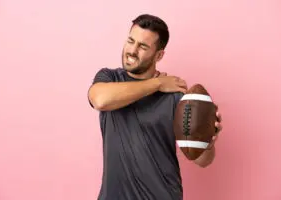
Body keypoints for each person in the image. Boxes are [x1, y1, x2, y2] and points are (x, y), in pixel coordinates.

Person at [88, 14, 223, 200]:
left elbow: (201, 161)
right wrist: (157, 84)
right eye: (130, 41)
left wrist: (207, 144)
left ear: (159, 55)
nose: (132, 50)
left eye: (143, 46)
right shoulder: (109, 79)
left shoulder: (175, 96)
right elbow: (100, 100)